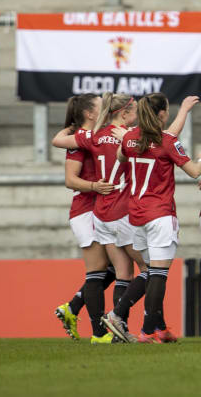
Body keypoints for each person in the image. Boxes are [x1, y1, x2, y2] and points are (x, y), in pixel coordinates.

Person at [113, 93, 201, 343]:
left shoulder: (131, 137)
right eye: (167, 110)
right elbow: (194, 171)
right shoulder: (167, 141)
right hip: (159, 214)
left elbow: (121, 156)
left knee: (149, 272)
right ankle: (144, 329)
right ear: (161, 114)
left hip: (137, 215)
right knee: (158, 274)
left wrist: (184, 111)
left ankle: (130, 318)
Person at [50, 94, 116, 343]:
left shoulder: (96, 136)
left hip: (101, 209)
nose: (106, 108)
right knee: (97, 272)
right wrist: (94, 186)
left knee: (114, 267)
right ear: (90, 114)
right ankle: (99, 333)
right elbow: (70, 180)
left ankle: (73, 307)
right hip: (85, 210)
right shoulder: (79, 141)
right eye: (100, 105)